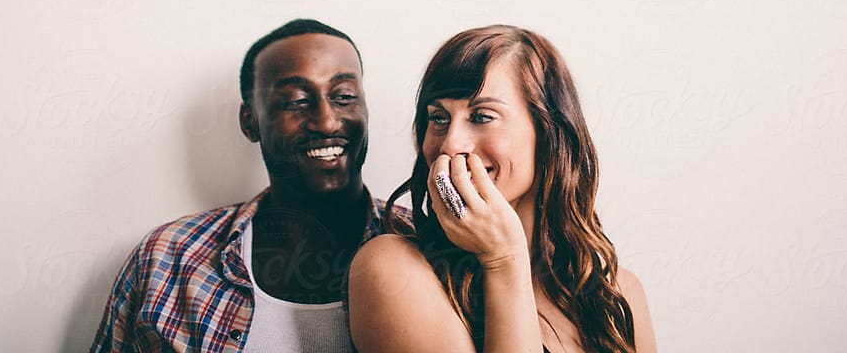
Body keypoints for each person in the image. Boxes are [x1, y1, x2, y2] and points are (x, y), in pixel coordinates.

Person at [92, 18, 407, 353]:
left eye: (344, 96)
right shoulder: (167, 261)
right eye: (296, 100)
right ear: (250, 121)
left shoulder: (430, 248)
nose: (326, 121)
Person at [348, 25, 656, 353]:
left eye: (482, 116)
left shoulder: (617, 293)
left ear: (550, 134)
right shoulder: (392, 269)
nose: (450, 145)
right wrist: (503, 259)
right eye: (438, 118)